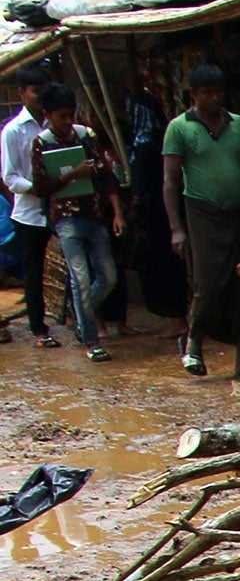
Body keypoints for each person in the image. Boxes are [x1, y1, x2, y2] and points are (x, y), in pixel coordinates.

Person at [162, 64, 240, 379]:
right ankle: (193, 346)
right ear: (194, 94)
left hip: (239, 212)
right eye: (208, 92)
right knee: (208, 282)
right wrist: (176, 228)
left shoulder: (238, 125)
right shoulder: (179, 128)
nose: (215, 98)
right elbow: (170, 181)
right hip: (202, 212)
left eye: (218, 91)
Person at [29, 84, 126, 363]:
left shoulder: (86, 136)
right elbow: (40, 187)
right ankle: (91, 340)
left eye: (70, 115)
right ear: (48, 115)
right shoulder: (42, 143)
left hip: (94, 215)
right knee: (81, 279)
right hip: (66, 221)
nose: (68, 121)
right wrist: (72, 175)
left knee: (108, 277)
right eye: (62, 116)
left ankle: (80, 315)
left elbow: (107, 177)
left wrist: (117, 212)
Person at [2, 65, 56, 347]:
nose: (39, 98)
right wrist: (35, 189)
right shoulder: (12, 130)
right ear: (22, 93)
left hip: (57, 205)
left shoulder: (53, 124)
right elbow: (10, 176)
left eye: (43, 92)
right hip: (28, 211)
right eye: (35, 92)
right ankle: (39, 329)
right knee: (33, 271)